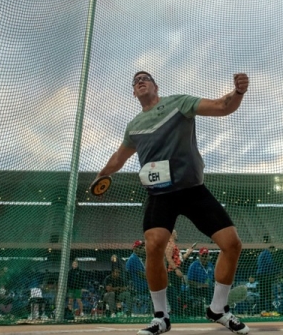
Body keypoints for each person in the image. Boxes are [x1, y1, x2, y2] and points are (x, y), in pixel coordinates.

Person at [94, 71, 250, 335]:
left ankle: (218, 309)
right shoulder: (134, 126)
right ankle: (161, 317)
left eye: (145, 78)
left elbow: (222, 107)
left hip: (192, 189)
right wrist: (103, 174)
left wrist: (238, 92)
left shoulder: (179, 104)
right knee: (154, 245)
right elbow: (119, 157)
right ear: (134, 92)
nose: (140, 81)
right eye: (135, 81)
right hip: (160, 194)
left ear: (156, 85)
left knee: (232, 244)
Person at [164, 229, 193, 314]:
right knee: (173, 292)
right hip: (172, 273)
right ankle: (173, 311)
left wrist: (187, 253)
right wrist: (176, 270)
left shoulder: (174, 245)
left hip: (176, 272)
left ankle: (177, 310)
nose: (177, 234)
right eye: (175, 232)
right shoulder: (169, 244)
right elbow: (169, 258)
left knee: (178, 292)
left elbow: (179, 259)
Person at [126, 240, 150, 314]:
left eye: (143, 247)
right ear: (135, 249)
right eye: (140, 248)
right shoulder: (133, 259)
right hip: (139, 286)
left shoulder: (138, 258)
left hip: (142, 285)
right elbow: (141, 275)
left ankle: (150, 311)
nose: (143, 249)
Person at [256, 245, 278, 312]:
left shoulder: (261, 253)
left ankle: (262, 310)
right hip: (266, 275)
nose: (274, 252)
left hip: (260, 274)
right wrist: (277, 270)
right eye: (274, 250)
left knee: (262, 292)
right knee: (268, 292)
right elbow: (269, 263)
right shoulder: (267, 253)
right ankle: (269, 310)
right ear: (271, 249)